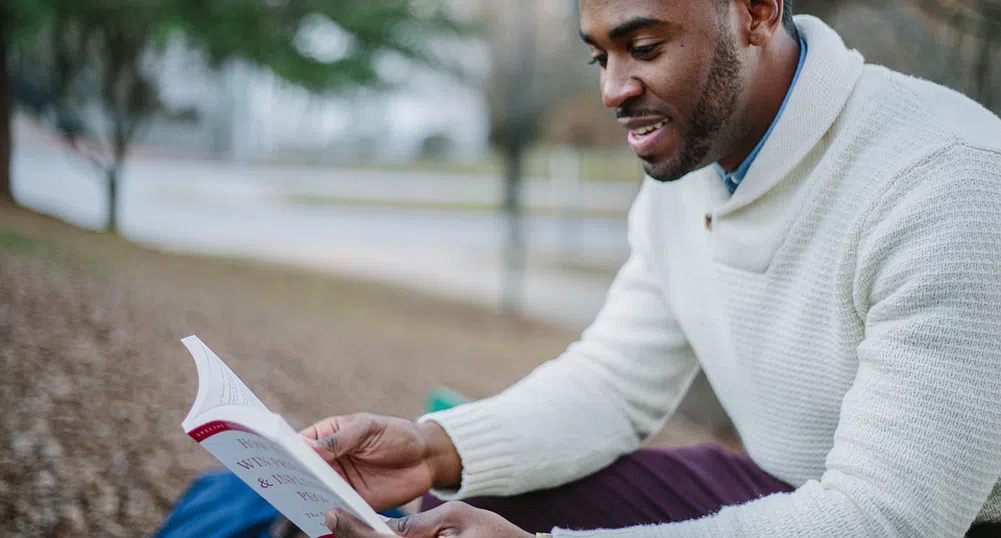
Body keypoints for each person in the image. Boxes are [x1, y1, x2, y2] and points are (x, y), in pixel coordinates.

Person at [302, 1, 1001, 536]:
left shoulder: (948, 185)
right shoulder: (697, 163)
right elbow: (613, 384)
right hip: (789, 488)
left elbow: (888, 520)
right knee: (467, 502)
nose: (612, 89)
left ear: (757, 11)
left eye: (642, 48)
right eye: (598, 56)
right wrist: (433, 449)